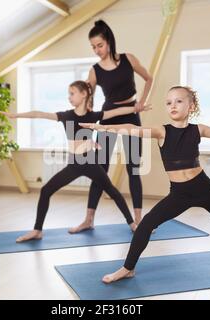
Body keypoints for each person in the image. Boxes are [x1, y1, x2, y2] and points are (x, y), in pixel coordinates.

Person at [79, 85, 210, 283]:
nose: (173, 105)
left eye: (179, 101)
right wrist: (103, 128)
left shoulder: (198, 130)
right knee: (145, 224)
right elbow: (133, 129)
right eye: (169, 102)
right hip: (179, 193)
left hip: (203, 188)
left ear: (191, 106)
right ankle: (127, 268)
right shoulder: (162, 132)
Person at [0, 80, 151, 243]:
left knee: (112, 192)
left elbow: (116, 112)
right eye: (68, 94)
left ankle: (132, 224)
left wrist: (136, 107)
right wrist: (16, 115)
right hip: (74, 165)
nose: (69, 97)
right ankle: (37, 230)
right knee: (46, 190)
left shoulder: (93, 115)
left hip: (91, 163)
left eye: (72, 93)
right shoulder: (66, 116)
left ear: (83, 94)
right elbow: (39, 113)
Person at [69, 20, 154, 234]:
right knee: (100, 171)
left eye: (99, 45)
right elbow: (89, 98)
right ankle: (88, 219)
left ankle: (138, 221)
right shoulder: (95, 71)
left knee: (133, 168)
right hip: (108, 118)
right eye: (93, 47)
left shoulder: (128, 59)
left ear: (109, 42)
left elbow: (148, 78)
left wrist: (141, 103)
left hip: (131, 117)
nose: (97, 50)